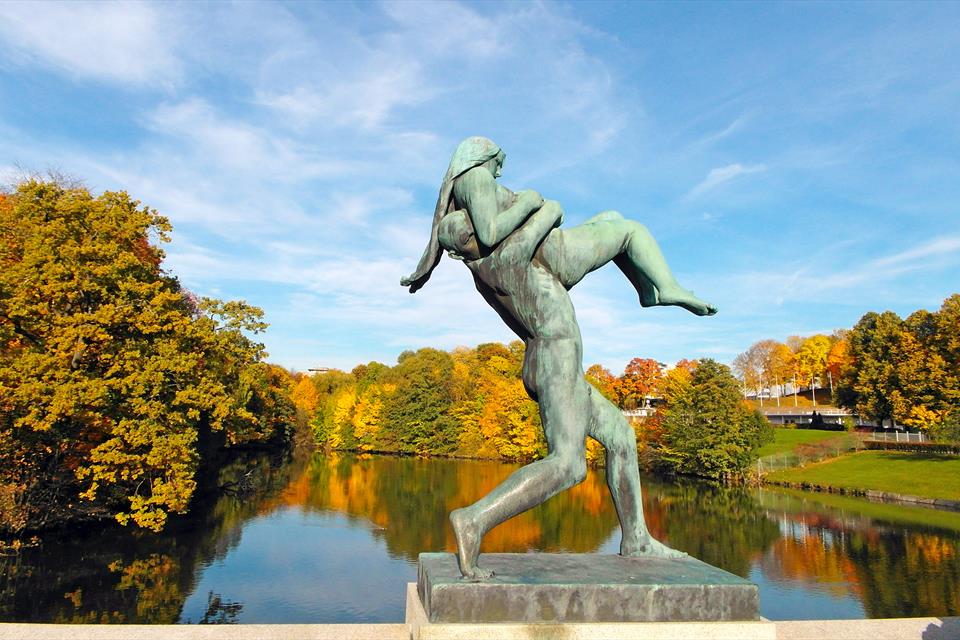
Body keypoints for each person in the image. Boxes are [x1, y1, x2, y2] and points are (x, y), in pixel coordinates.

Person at [401, 137, 715, 580]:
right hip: (555, 356)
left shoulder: (485, 268)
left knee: (622, 438)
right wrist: (535, 201)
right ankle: (474, 519)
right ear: (468, 243)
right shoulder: (502, 259)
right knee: (567, 465)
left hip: (547, 359)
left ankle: (637, 537)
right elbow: (544, 215)